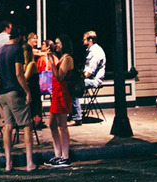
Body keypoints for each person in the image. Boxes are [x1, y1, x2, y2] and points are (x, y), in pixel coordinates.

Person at [0, 30, 35, 173]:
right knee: (27, 125)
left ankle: (8, 163)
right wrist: (27, 91)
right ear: (19, 36)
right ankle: (29, 163)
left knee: (8, 126)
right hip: (14, 91)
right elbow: (19, 73)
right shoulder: (17, 49)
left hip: (3, 93)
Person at [46, 35, 74, 168]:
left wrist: (52, 62)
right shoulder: (62, 58)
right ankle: (58, 154)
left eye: (58, 43)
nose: (56, 45)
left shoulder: (67, 58)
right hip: (57, 93)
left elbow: (59, 76)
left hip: (62, 93)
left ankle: (65, 156)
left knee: (62, 125)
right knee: (52, 124)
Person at [71, 30, 106, 125]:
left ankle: (77, 118)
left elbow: (89, 72)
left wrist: (78, 79)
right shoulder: (89, 50)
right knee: (70, 84)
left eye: (84, 39)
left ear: (90, 40)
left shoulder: (96, 52)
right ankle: (72, 113)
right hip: (88, 78)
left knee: (74, 87)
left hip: (94, 80)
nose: (82, 40)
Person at [24, 33, 44, 129]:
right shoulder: (28, 64)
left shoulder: (31, 64)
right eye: (34, 38)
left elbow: (26, 77)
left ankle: (35, 121)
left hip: (33, 89)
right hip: (31, 89)